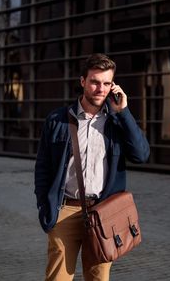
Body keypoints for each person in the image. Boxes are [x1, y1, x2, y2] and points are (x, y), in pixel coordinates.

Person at [34, 53, 150, 281]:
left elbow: (141, 154)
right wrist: (45, 206)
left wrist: (124, 112)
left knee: (98, 277)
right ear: (83, 81)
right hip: (64, 210)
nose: (101, 88)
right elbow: (43, 167)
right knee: (57, 278)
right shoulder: (57, 119)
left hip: (103, 213)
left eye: (107, 83)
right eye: (95, 82)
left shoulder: (117, 122)